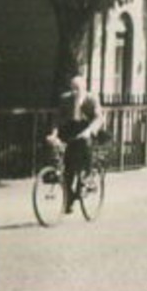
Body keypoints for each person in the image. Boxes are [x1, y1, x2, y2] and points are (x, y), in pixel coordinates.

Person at [49, 75, 103, 215]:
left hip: (87, 128)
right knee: (67, 169)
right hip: (71, 130)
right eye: (72, 88)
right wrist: (54, 135)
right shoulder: (65, 99)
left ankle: (89, 176)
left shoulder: (92, 99)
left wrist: (89, 131)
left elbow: (98, 118)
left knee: (85, 145)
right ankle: (70, 198)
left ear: (84, 87)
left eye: (77, 88)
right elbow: (57, 119)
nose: (75, 92)